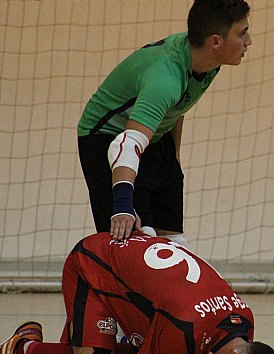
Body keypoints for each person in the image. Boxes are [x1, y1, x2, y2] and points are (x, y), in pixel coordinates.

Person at [0, 230, 274, 354]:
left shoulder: (243, 321)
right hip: (93, 269)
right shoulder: (185, 328)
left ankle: (73, 347)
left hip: (136, 280)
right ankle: (24, 346)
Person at [77, 0, 252, 243]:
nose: (249, 41)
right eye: (242, 33)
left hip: (155, 137)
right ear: (215, 41)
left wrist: (174, 162)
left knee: (174, 243)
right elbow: (126, 145)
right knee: (134, 243)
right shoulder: (164, 78)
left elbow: (176, 107)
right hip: (107, 137)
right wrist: (123, 204)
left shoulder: (206, 61)